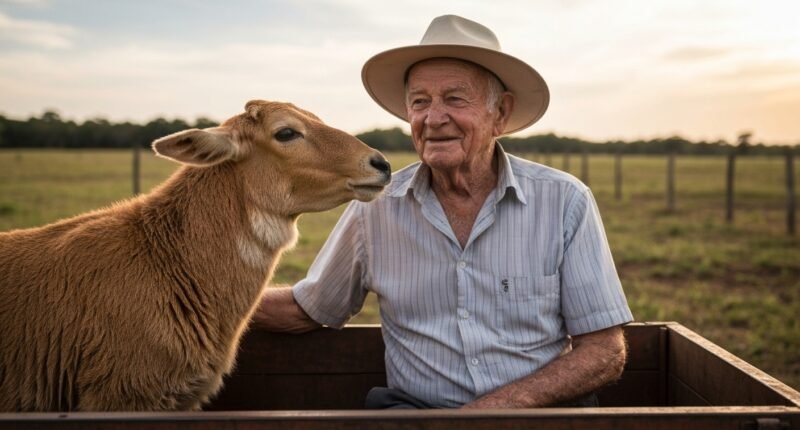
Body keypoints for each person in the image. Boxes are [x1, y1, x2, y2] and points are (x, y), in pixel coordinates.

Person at [253, 14, 633, 409]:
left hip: (539, 418)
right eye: (420, 102)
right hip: (415, 417)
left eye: (455, 99)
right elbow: (305, 309)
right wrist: (191, 294)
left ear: (500, 114)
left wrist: (492, 412)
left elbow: (604, 349)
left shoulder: (564, 201)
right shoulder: (375, 210)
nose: (433, 119)